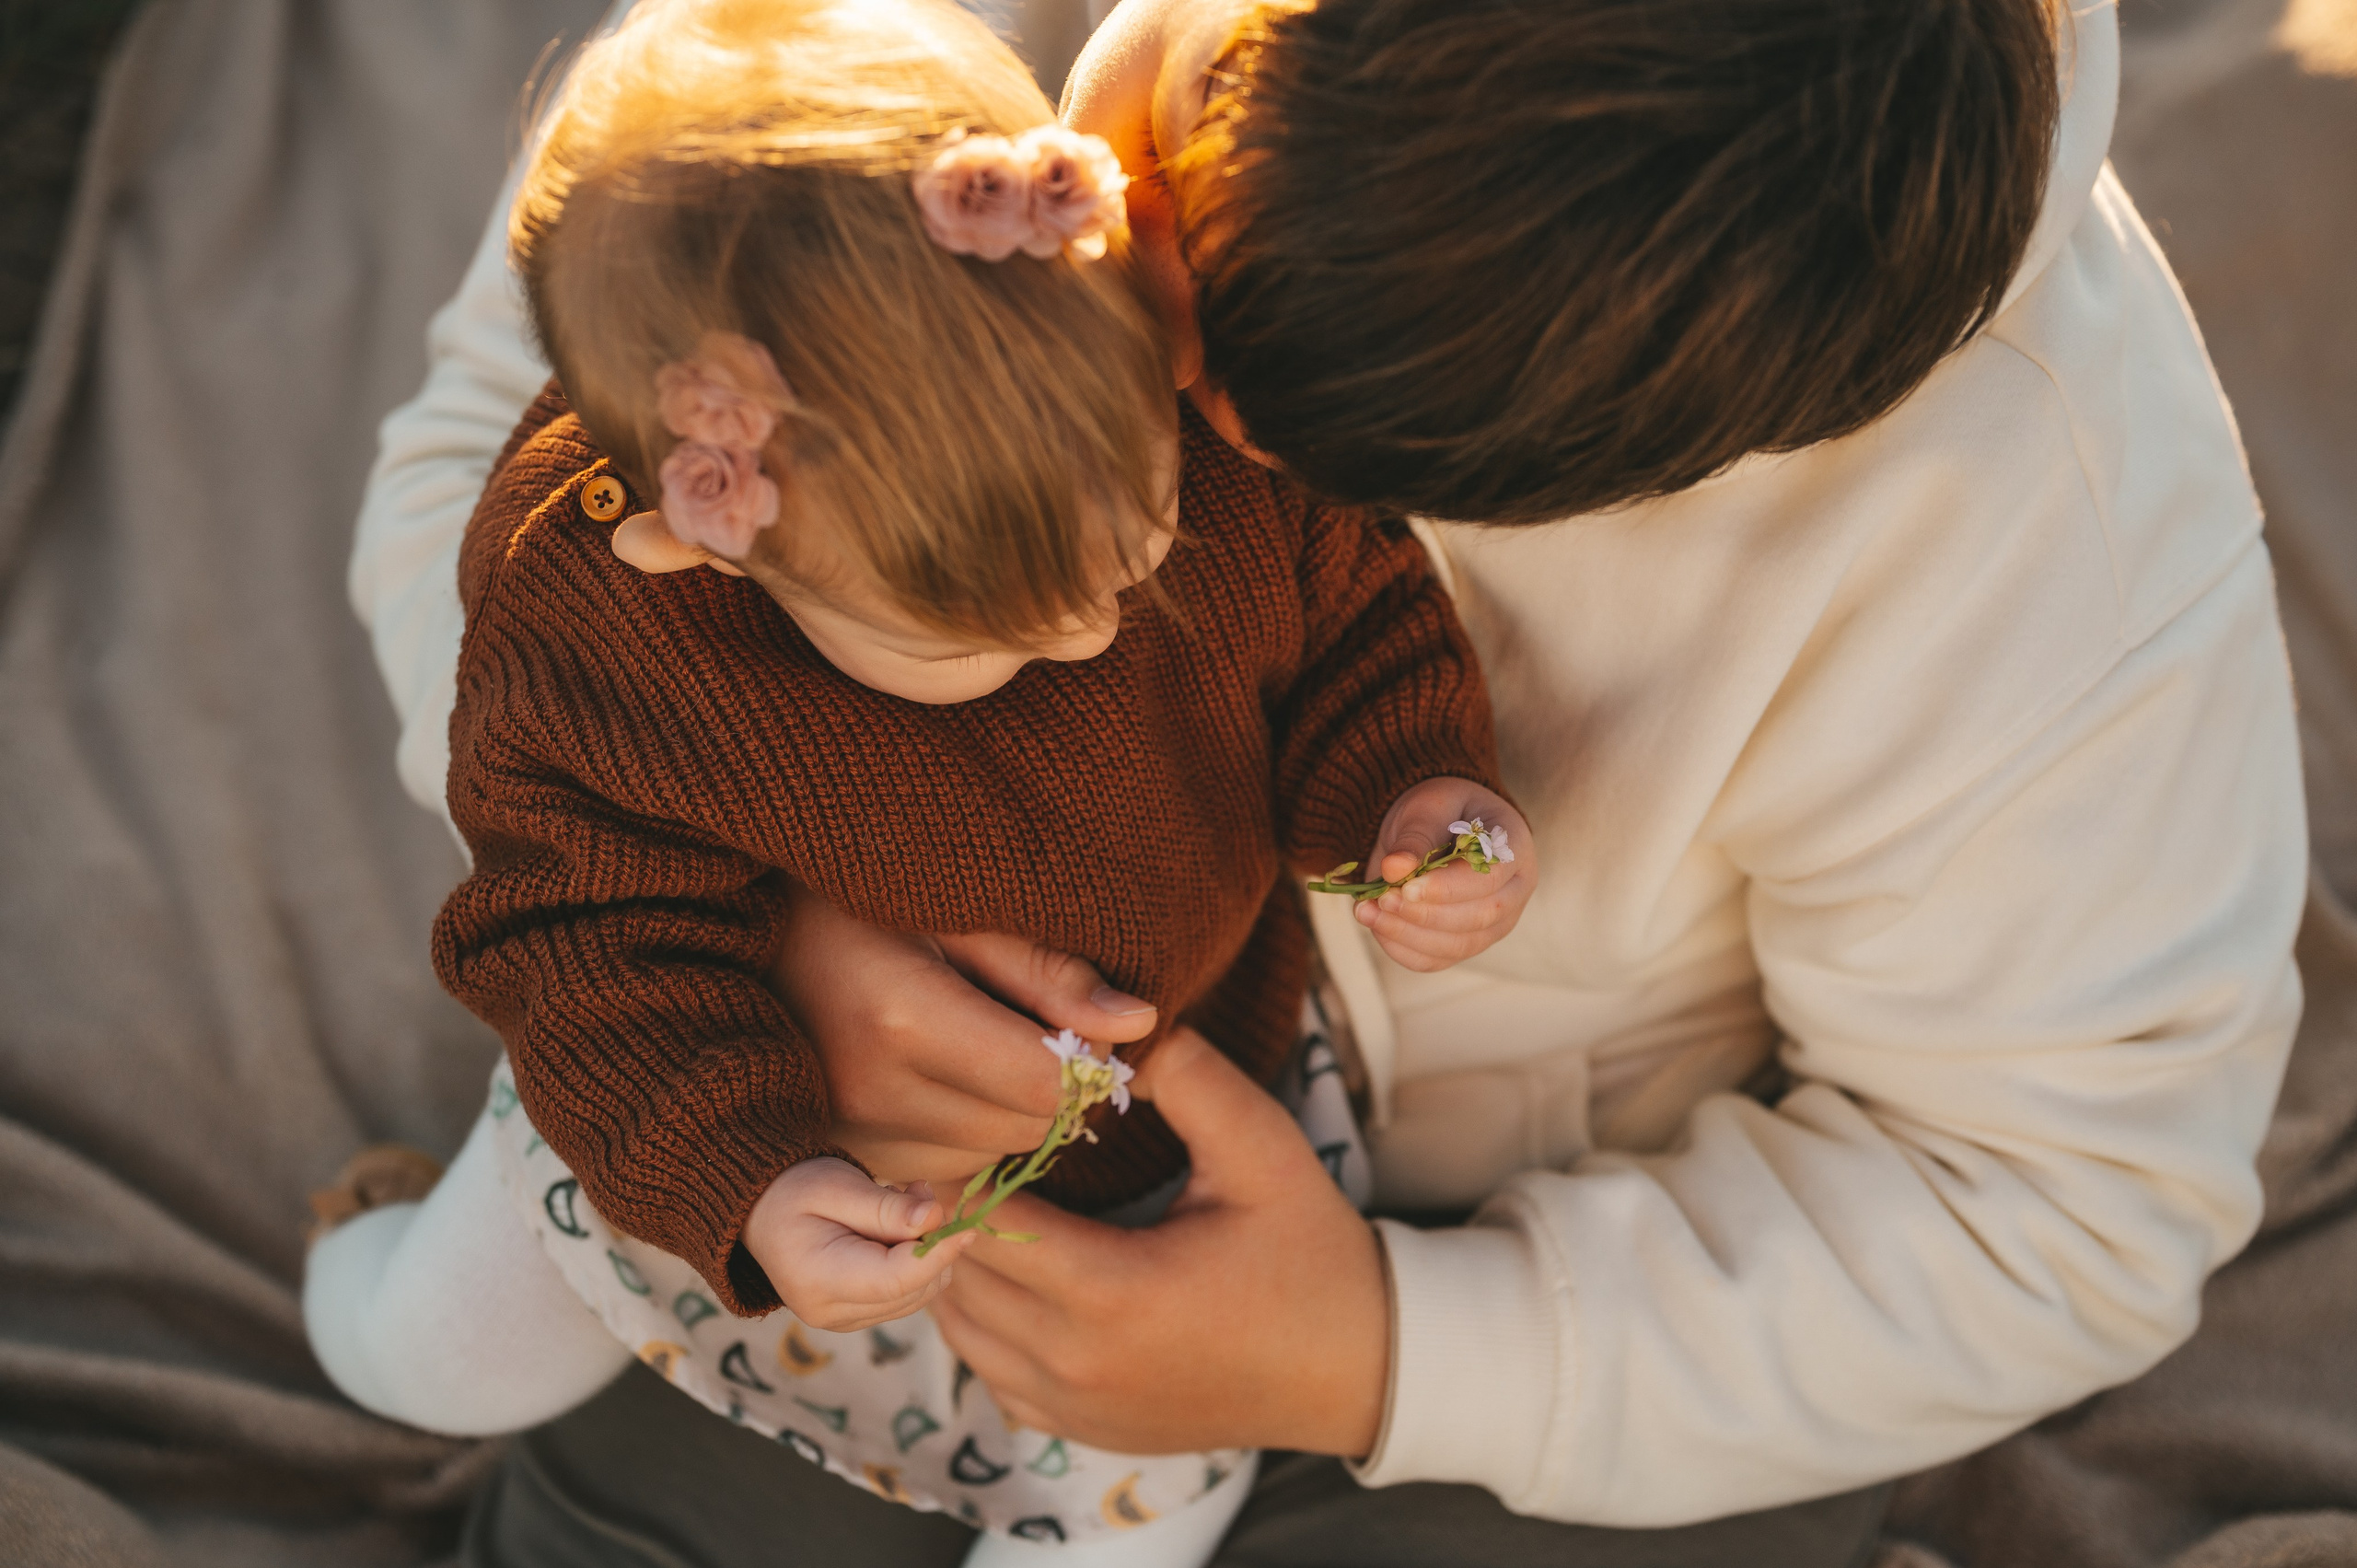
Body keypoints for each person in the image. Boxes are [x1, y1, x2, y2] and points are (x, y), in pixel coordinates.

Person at [348, 0, 2306, 1562]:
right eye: (1155, 237)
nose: (1160, 507)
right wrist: (781, 931)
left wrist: (1380, 1354)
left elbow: (2054, 1213)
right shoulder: (837, 76)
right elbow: (495, 468)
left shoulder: (2050, 550)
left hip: (1529, 1263)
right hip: (848, 1136)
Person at [307, 2, 1525, 1564]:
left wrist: (1414, 799)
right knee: (454, 1359)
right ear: (725, 537)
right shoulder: (603, 630)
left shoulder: (1168, 434)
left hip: (1143, 1130)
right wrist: (749, 1179)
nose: (1121, 599)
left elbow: (1356, 615)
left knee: (1149, 1512)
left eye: (1143, 510)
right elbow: (581, 936)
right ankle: (355, 1258)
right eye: (1010, 627)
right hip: (722, 1083)